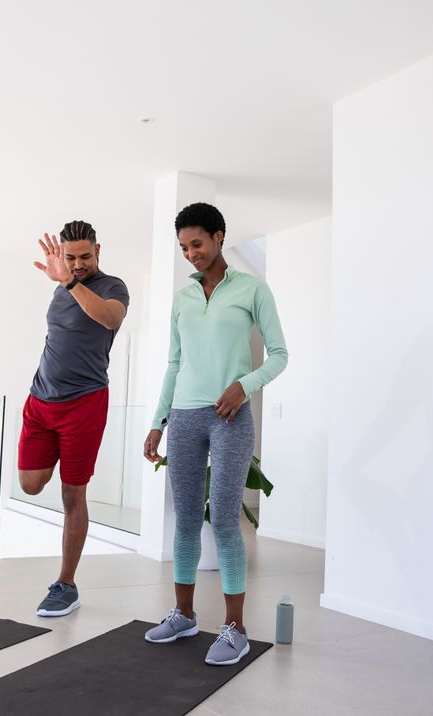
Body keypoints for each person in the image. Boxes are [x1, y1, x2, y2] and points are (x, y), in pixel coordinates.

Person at [142, 202, 288, 664]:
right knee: (186, 519)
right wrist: (158, 421)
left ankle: (235, 628)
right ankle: (183, 615)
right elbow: (174, 363)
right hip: (184, 416)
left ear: (219, 236)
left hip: (230, 417)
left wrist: (244, 386)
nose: (191, 254)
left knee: (224, 520)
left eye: (197, 243)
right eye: (184, 247)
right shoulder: (182, 298)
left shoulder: (252, 289)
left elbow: (280, 355)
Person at [20, 220, 129, 617]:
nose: (78, 264)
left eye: (85, 256)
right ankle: (55, 455)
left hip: (84, 403)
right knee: (30, 485)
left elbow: (110, 319)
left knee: (72, 493)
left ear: (98, 250)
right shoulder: (59, 289)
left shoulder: (112, 287)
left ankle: (66, 584)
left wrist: (69, 281)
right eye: (71, 258)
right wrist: (63, 283)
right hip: (40, 400)